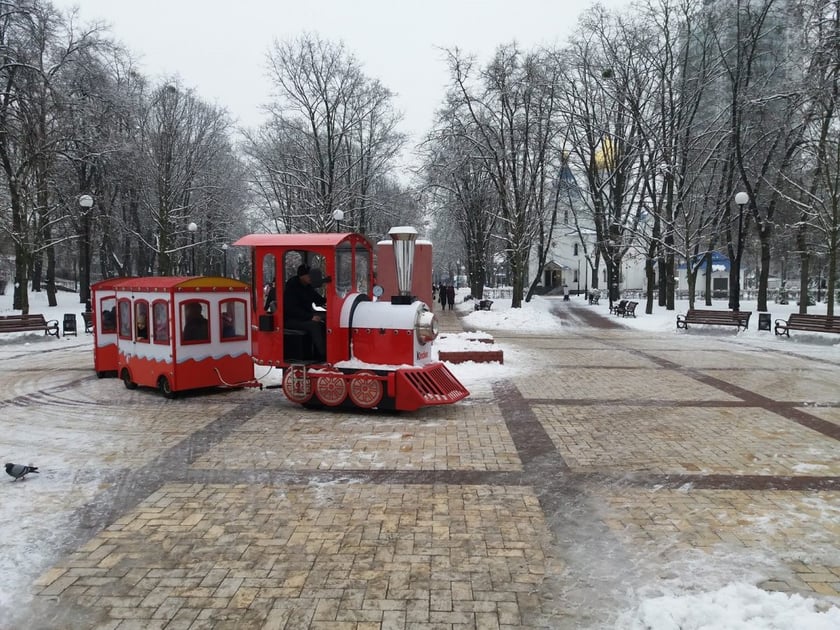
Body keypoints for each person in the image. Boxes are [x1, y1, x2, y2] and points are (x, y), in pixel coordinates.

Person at [283, 264, 327, 361]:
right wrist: (310, 317)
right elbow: (291, 309)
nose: (311, 277)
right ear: (302, 276)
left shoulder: (308, 286)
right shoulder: (292, 287)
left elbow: (318, 299)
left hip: (305, 316)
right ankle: (323, 355)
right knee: (315, 325)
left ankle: (327, 349)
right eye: (309, 275)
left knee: (327, 318)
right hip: (291, 319)